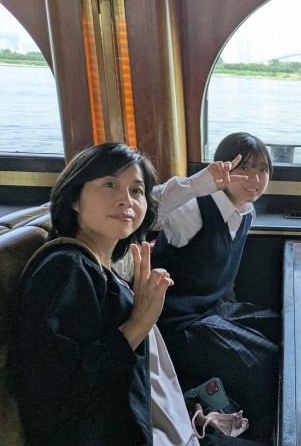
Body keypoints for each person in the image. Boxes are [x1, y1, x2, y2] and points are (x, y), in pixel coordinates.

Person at [7, 143, 200, 446]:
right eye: (110, 184)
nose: (126, 200)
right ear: (74, 198)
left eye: (136, 191)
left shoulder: (99, 265)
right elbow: (52, 398)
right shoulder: (64, 270)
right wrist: (137, 324)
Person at [151, 132, 280, 442]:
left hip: (212, 310)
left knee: (281, 327)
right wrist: (200, 182)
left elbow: (224, 271)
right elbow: (150, 204)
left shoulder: (246, 212)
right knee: (266, 362)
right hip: (177, 324)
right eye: (244, 168)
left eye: (263, 169)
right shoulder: (193, 210)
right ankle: (260, 433)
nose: (255, 179)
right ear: (223, 168)